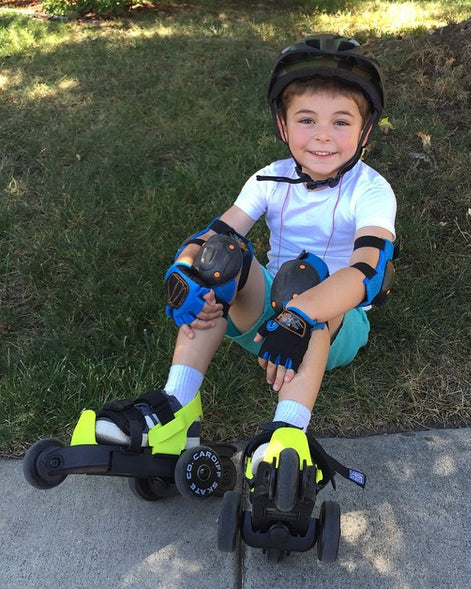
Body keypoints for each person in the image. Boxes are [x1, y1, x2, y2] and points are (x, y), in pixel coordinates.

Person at [93, 34, 397, 467]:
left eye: (341, 122)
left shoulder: (371, 191)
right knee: (221, 259)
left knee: (303, 281)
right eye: (307, 120)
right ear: (283, 125)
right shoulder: (268, 179)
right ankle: (175, 404)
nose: (323, 137)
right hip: (267, 316)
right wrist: (185, 271)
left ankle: (287, 435)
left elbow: (367, 271)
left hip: (335, 326)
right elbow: (212, 237)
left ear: (365, 130)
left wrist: (300, 313)